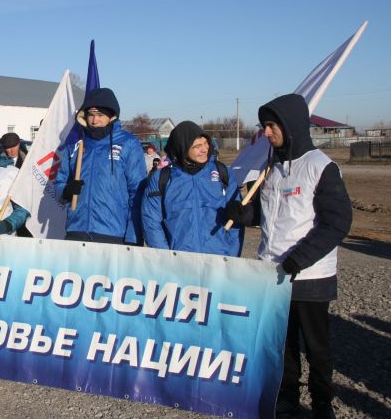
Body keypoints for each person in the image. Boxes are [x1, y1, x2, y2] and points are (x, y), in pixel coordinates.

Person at [227, 93, 351, 419]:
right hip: (273, 274)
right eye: (264, 126)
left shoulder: (321, 166)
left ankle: (322, 404)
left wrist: (300, 258)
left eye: (272, 126)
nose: (266, 132)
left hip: (310, 276)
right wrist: (244, 214)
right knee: (283, 346)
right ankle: (288, 397)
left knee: (316, 348)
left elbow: (338, 222)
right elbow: (268, 214)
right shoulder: (271, 168)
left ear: (290, 125)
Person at [54, 87, 146, 244]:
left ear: (111, 116)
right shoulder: (76, 145)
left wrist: (133, 236)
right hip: (76, 230)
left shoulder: (128, 143)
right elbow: (59, 183)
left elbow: (137, 193)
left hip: (113, 233)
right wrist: (66, 191)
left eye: (100, 115)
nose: (95, 121)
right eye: (91, 115)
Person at [141, 121, 243, 256]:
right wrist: (166, 258)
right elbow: (151, 222)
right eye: (197, 146)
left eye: (206, 143)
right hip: (180, 264)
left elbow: (236, 218)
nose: (204, 149)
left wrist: (231, 256)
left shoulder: (223, 172)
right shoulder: (162, 178)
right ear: (183, 149)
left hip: (219, 260)